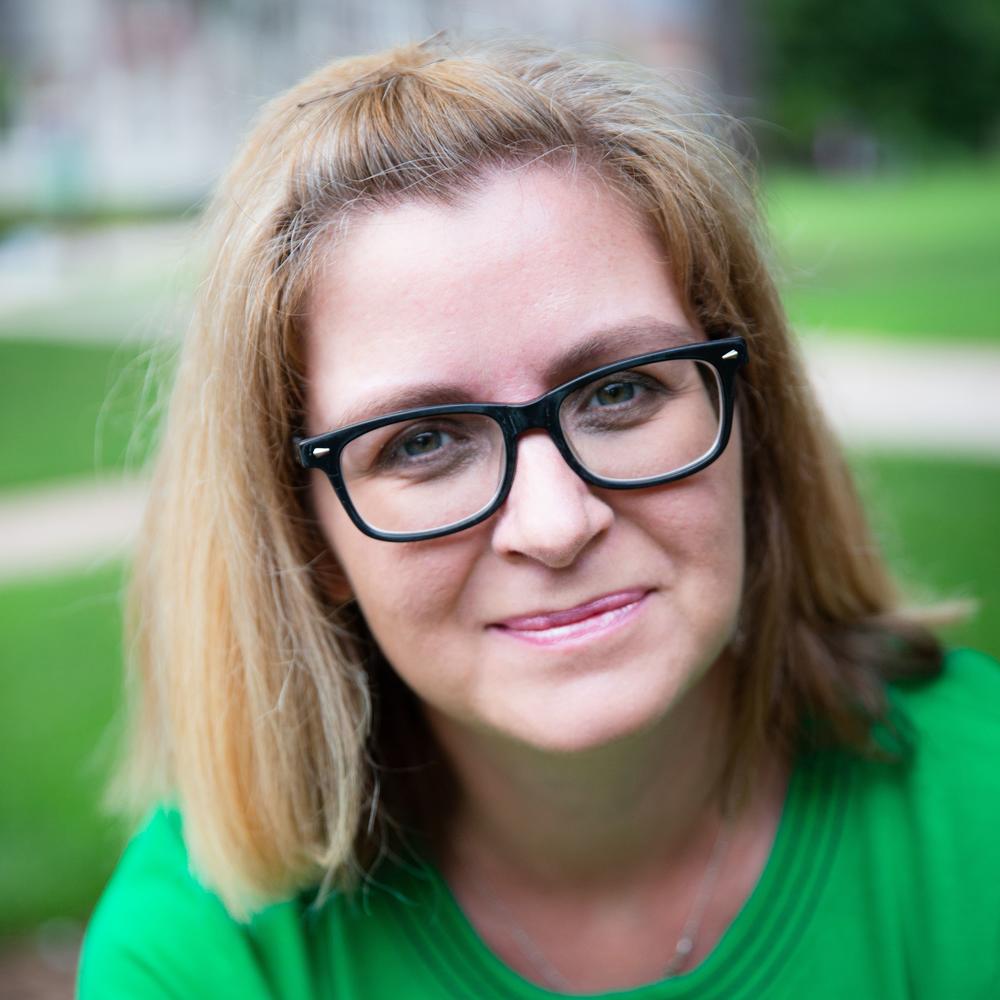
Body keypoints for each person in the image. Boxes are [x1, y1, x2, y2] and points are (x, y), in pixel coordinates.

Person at [78, 36, 1000, 998]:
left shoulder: (981, 811)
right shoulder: (202, 952)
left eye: (620, 393)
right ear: (307, 535)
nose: (557, 525)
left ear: (748, 418)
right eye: (422, 442)